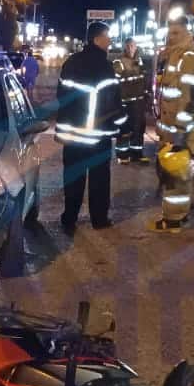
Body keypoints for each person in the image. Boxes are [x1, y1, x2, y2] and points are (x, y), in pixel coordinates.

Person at [54, 21, 123, 234]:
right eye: (107, 36)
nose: (110, 40)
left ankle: (69, 217)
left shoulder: (71, 63)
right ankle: (99, 219)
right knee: (99, 179)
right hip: (97, 136)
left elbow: (61, 96)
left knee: (73, 176)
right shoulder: (106, 67)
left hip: (73, 135)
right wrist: (120, 125)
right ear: (96, 39)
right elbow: (114, 102)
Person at [151, 18, 194, 232]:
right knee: (172, 175)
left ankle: (174, 219)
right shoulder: (174, 55)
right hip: (172, 130)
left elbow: (191, 99)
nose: (170, 36)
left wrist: (181, 134)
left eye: (176, 32)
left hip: (182, 131)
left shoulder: (189, 57)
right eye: (169, 32)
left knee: (178, 176)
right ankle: (175, 215)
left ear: (186, 33)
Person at [112, 38, 150, 164]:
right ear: (124, 47)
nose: (130, 48)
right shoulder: (119, 62)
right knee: (125, 128)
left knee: (139, 127)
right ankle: (122, 155)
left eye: (132, 46)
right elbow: (114, 82)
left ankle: (137, 154)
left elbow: (143, 78)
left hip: (138, 101)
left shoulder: (139, 61)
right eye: (128, 46)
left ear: (136, 47)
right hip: (125, 101)